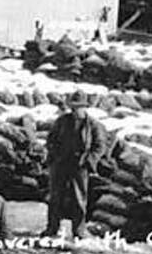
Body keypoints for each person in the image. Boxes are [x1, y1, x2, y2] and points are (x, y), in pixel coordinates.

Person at [44, 90, 110, 239]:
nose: (75, 110)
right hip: (61, 163)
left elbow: (100, 146)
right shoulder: (62, 121)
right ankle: (52, 228)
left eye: (78, 107)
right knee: (55, 197)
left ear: (85, 107)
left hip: (79, 165)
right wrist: (54, 155)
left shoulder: (93, 125)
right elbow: (51, 139)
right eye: (73, 107)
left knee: (79, 199)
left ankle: (78, 231)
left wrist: (88, 161)